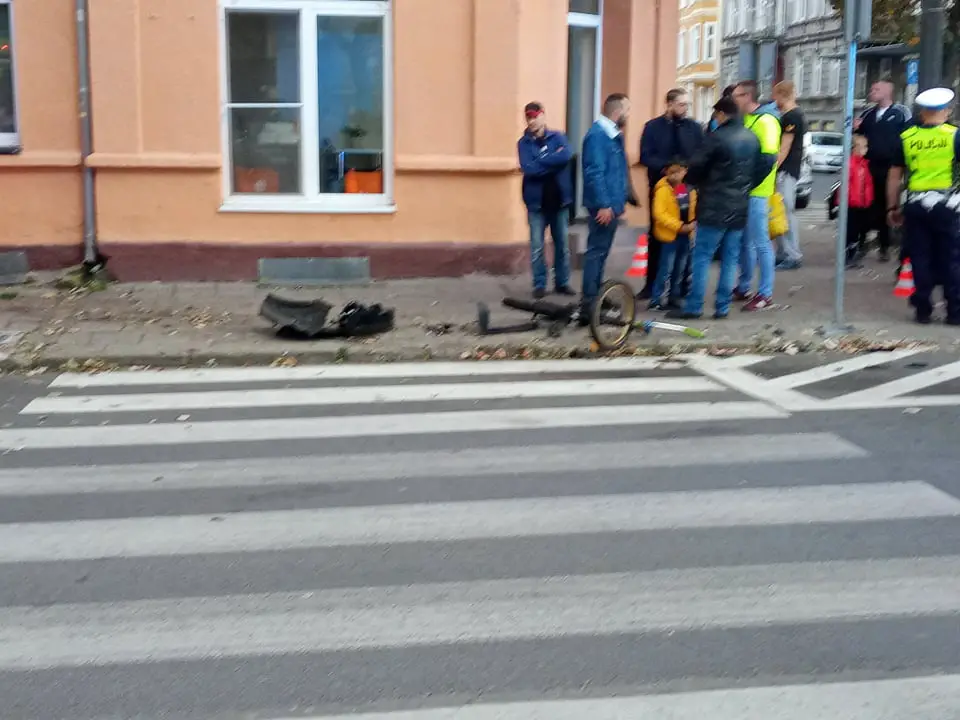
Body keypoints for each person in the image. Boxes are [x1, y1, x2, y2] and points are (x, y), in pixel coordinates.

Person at [666, 96, 762, 320]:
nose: (715, 119)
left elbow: (697, 167)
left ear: (722, 114)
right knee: (730, 258)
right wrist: (746, 186)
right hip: (739, 206)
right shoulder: (752, 138)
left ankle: (694, 306)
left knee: (702, 256)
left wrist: (692, 182)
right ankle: (722, 307)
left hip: (714, 206)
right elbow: (763, 165)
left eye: (716, 114)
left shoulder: (716, 138)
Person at [886, 87, 960, 325]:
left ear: (922, 112)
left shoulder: (907, 137)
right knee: (951, 258)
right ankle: (954, 311)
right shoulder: (954, 135)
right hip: (947, 205)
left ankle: (922, 310)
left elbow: (894, 176)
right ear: (946, 111)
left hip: (916, 205)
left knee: (919, 257)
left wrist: (892, 207)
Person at [639, 89, 704, 299]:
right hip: (662, 187)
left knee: (684, 233)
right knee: (658, 234)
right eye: (681, 104)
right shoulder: (653, 127)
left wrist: (686, 170)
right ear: (669, 104)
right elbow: (646, 156)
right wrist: (667, 169)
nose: (685, 108)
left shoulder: (693, 128)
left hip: (685, 187)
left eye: (687, 104)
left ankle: (682, 285)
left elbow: (700, 154)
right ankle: (652, 285)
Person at [579, 93, 637, 319]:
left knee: (600, 252)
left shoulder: (611, 134)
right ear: (617, 111)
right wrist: (604, 204)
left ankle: (596, 298)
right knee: (596, 253)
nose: (629, 115)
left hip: (611, 203)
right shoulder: (598, 136)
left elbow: (617, 170)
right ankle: (589, 303)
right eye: (628, 110)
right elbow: (594, 172)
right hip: (604, 206)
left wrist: (624, 197)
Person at [517, 102, 575, 299]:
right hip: (536, 203)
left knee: (562, 245)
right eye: (529, 117)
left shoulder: (558, 137)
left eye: (535, 116)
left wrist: (540, 161)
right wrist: (552, 160)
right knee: (537, 246)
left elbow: (566, 156)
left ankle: (562, 283)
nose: (532, 120)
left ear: (543, 116)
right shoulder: (523, 143)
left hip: (559, 201)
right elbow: (529, 168)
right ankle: (540, 284)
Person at [732, 80, 779, 311]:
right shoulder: (748, 119)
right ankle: (744, 286)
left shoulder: (766, 121)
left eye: (737, 96)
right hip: (747, 189)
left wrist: (750, 183)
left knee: (761, 242)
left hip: (758, 191)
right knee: (747, 242)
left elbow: (768, 159)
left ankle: (765, 294)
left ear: (748, 96)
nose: (733, 100)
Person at [855, 79, 912, 263]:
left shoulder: (900, 113)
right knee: (865, 204)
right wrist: (855, 128)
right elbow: (858, 137)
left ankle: (884, 246)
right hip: (868, 166)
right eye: (872, 89)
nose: (872, 92)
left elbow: (908, 136)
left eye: (876, 89)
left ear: (888, 91)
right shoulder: (867, 114)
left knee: (887, 204)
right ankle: (860, 243)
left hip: (890, 166)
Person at [649, 158, 697, 310]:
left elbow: (687, 209)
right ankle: (656, 299)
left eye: (679, 171)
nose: (675, 175)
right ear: (666, 172)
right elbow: (659, 214)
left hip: (685, 235)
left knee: (679, 269)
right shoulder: (662, 190)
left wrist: (691, 224)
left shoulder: (683, 189)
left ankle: (673, 297)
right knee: (665, 269)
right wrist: (679, 226)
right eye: (672, 172)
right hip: (670, 236)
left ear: (685, 172)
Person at [772, 81, 806, 270]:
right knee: (781, 211)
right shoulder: (795, 114)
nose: (773, 100)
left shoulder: (791, 117)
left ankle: (792, 254)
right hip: (789, 169)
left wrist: (772, 168)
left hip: (785, 170)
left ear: (781, 95)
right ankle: (783, 252)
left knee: (784, 212)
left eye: (775, 96)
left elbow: (784, 148)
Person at [845, 135, 875, 268]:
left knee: (857, 231)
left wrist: (868, 200)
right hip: (852, 204)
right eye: (864, 146)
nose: (866, 149)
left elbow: (867, 184)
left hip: (861, 204)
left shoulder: (863, 163)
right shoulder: (851, 164)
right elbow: (848, 185)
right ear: (854, 148)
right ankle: (848, 256)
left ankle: (852, 255)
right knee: (851, 231)